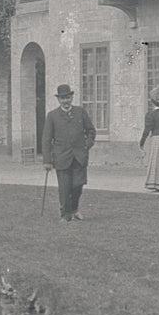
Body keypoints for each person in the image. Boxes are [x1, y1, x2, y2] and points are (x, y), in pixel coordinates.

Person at [42, 83, 96, 222]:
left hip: (79, 156)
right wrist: (47, 161)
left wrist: (86, 146)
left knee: (78, 186)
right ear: (58, 100)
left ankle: (74, 209)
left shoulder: (80, 112)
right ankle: (65, 215)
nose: (65, 101)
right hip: (61, 157)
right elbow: (47, 139)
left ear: (71, 97)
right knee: (64, 188)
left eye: (67, 97)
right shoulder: (52, 116)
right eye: (62, 98)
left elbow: (91, 131)